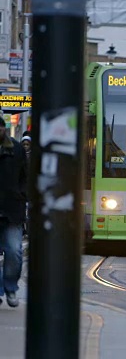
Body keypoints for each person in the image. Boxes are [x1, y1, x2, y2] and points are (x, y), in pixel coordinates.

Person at [0, 117, 28, 307]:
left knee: (14, 252)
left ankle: (10, 288)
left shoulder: (16, 149)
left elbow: (25, 177)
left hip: (12, 210)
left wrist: (21, 195)